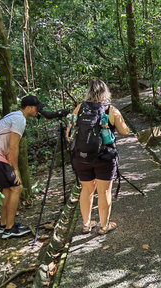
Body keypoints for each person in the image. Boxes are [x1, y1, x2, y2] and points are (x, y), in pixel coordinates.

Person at [0, 95, 44, 239]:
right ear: (28, 108)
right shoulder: (19, 119)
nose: (38, 110)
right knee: (17, 187)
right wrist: (15, 170)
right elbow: (13, 146)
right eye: (36, 108)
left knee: (7, 188)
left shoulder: (13, 115)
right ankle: (10, 228)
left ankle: (4, 224)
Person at [67, 79, 130, 235]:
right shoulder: (111, 110)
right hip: (104, 158)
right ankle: (104, 225)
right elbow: (125, 132)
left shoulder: (79, 108)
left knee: (86, 189)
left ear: (88, 92)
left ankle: (86, 224)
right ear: (105, 93)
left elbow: (69, 133)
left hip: (81, 157)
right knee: (104, 192)